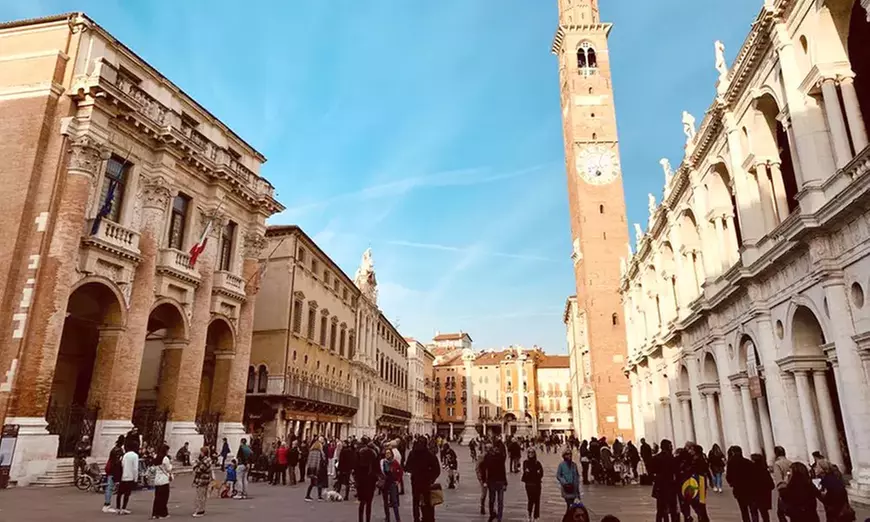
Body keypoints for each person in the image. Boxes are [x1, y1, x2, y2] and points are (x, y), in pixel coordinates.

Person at [405, 437, 440, 522]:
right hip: (426, 482)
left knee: (416, 502)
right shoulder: (429, 454)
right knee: (428, 502)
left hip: (415, 482)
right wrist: (431, 478)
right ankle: (428, 518)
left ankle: (416, 519)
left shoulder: (412, 454)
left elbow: (407, 467)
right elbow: (437, 469)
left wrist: (414, 471)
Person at [651, 439, 679, 522]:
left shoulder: (656, 458)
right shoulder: (671, 458)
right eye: (670, 446)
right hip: (670, 485)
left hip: (660, 486)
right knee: (673, 508)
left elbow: (652, 471)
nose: (672, 447)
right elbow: (675, 471)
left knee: (660, 509)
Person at [727, 445, 755, 522]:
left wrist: (731, 483)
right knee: (752, 508)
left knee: (744, 509)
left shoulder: (731, 463)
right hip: (750, 488)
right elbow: (753, 475)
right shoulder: (748, 462)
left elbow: (728, 477)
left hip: (738, 489)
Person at [483, 441, 508, 522]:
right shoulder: (487, 457)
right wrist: (484, 481)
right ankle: (492, 514)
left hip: (499, 481)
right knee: (491, 500)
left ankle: (499, 517)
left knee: (500, 501)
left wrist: (505, 482)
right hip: (491, 481)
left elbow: (503, 469)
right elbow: (484, 469)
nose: (495, 450)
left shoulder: (500, 457)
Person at [355, 439, 380, 522]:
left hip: (361, 482)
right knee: (369, 503)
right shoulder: (374, 455)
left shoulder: (360, 455)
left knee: (362, 503)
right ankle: (367, 520)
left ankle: (360, 519)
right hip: (370, 482)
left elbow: (356, 470)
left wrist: (357, 481)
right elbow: (377, 470)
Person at [102, 435, 125, 513]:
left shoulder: (114, 449)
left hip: (111, 469)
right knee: (110, 487)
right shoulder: (119, 451)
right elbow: (117, 462)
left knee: (110, 487)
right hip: (114, 470)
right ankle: (107, 505)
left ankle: (107, 504)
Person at [750, 453, 775, 522]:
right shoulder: (764, 471)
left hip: (754, 495)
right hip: (764, 496)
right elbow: (771, 485)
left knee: (754, 512)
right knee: (764, 513)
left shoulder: (750, 472)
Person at [380, 448, 403, 522]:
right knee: (385, 501)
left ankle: (398, 519)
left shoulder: (395, 462)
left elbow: (400, 472)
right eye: (386, 453)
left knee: (394, 501)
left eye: (389, 453)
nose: (387, 454)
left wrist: (398, 481)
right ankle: (387, 517)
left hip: (392, 483)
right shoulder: (383, 462)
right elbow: (380, 472)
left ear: (391, 454)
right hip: (385, 483)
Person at [556, 448, 581, 516]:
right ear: (564, 456)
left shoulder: (574, 465)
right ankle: (568, 518)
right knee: (569, 505)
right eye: (567, 454)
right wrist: (564, 482)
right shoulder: (561, 465)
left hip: (574, 488)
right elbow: (558, 475)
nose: (569, 456)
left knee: (572, 506)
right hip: (566, 488)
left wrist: (577, 490)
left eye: (570, 454)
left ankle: (569, 517)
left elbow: (577, 476)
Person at [522, 447, 544, 522]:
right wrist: (535, 472)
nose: (531, 454)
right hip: (529, 484)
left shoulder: (537, 463)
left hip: (537, 484)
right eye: (529, 452)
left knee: (537, 500)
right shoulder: (525, 462)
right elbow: (526, 472)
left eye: (532, 452)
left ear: (534, 454)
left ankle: (536, 516)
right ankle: (529, 514)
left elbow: (541, 473)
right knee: (531, 500)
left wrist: (532, 472)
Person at [117, 442, 139, 515]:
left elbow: (122, 464)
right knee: (127, 494)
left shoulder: (125, 455)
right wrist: (136, 479)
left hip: (123, 476)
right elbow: (135, 468)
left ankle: (118, 508)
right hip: (130, 477)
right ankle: (123, 508)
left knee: (120, 493)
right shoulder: (135, 456)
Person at [151, 444, 173, 519]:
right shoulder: (165, 458)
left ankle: (155, 513)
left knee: (157, 497)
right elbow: (168, 469)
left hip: (157, 479)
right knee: (164, 498)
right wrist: (171, 465)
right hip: (164, 479)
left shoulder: (156, 457)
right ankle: (163, 513)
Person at [771, 446, 792, 522]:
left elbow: (779, 478)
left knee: (780, 513)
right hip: (792, 488)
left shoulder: (777, 464)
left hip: (784, 489)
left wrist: (781, 491)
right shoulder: (790, 462)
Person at [192, 446, 212, 517]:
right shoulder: (206, 460)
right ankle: (201, 509)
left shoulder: (205, 461)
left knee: (200, 496)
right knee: (202, 495)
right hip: (205, 480)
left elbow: (199, 470)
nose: (200, 453)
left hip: (202, 480)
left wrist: (194, 466)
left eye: (201, 452)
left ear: (204, 453)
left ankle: (200, 510)